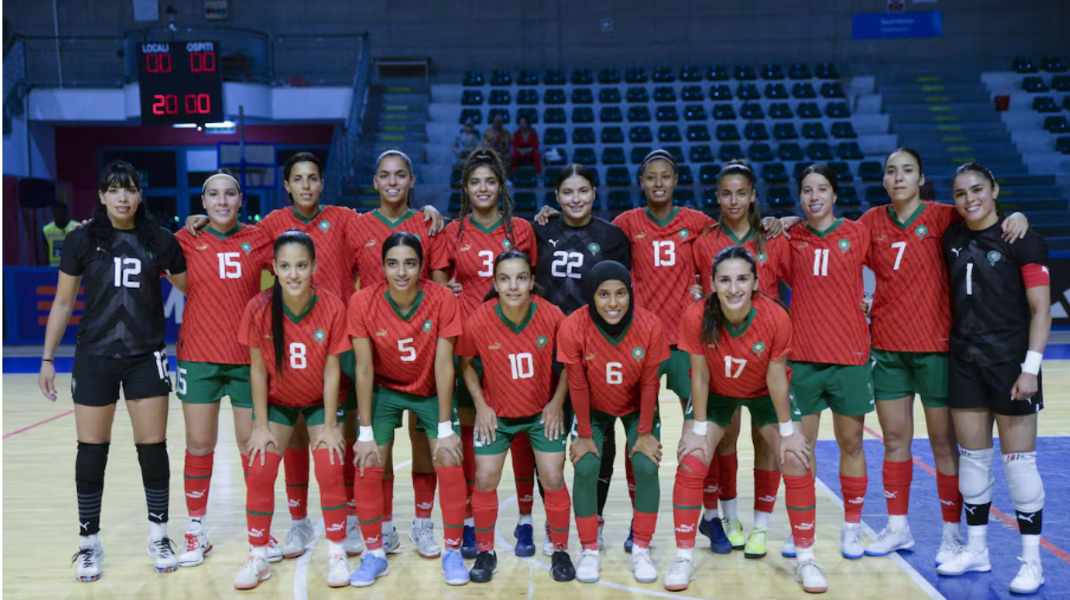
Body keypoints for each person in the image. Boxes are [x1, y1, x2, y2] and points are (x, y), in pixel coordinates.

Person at [185, 152, 444, 558]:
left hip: (339, 339)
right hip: (290, 343)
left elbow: (390, 220)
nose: (306, 186)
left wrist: (426, 210)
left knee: (345, 430)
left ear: (322, 183)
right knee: (297, 435)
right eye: (298, 180)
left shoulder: (345, 219)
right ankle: (300, 523)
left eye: (313, 179)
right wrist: (204, 220)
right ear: (286, 186)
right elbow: (236, 235)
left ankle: (357, 516)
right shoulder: (272, 224)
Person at [859, 149, 1029, 562]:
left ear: (921, 179)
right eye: (891, 171)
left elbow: (983, 214)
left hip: (937, 349)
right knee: (895, 441)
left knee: (943, 445)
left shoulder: (943, 216)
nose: (898, 178)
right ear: (884, 181)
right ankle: (898, 528)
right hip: (888, 349)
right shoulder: (870, 223)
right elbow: (837, 247)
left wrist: (1017, 216)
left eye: (908, 171)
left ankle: (953, 535)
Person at [39, 160, 188, 582]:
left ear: (140, 195)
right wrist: (48, 358)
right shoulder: (81, 239)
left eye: (130, 189)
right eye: (114, 189)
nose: (123, 197)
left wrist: (195, 233)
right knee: (91, 450)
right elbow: (64, 303)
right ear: (101, 196)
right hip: (95, 357)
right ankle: (89, 543)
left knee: (153, 447)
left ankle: (159, 535)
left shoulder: (159, 240)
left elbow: (193, 286)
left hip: (146, 356)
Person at [668, 246, 826, 594]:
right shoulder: (697, 315)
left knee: (796, 459)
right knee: (691, 460)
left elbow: (776, 379)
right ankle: (682, 557)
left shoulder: (775, 317)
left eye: (742, 279)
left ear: (755, 283)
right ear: (712, 283)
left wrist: (788, 433)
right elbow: (699, 375)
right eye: (724, 280)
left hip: (765, 395)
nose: (733, 288)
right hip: (717, 393)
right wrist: (696, 430)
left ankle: (807, 558)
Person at [937, 163, 1050, 595]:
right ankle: (977, 550)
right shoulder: (951, 237)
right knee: (974, 463)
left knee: (1019, 468)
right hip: (965, 361)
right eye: (961, 193)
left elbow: (1041, 311)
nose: (969, 199)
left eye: (977, 190)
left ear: (994, 190)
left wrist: (1031, 369)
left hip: (1011, 365)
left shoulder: (1022, 238)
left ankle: (1033, 562)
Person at [345, 150, 451, 559]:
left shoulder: (427, 223)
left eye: (400, 175)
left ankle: (423, 525)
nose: (392, 182)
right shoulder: (355, 226)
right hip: (374, 349)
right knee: (379, 448)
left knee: (424, 446)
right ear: (374, 182)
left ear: (411, 180)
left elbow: (442, 287)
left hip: (421, 350)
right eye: (385, 175)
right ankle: (383, 526)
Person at [347, 232, 468, 588]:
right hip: (385, 389)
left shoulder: (442, 298)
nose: (402, 271)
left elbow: (445, 365)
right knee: (368, 461)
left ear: (422, 267)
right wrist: (365, 434)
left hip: (429, 389)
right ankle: (374, 554)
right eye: (393, 263)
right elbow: (364, 369)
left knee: (448, 458)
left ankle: (453, 551)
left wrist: (445, 427)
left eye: (410, 263)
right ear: (382, 265)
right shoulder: (362, 301)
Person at [234, 230, 352, 589]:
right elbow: (256, 369)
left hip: (321, 403)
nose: (294, 274)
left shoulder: (331, 306)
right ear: (273, 268)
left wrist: (331, 424)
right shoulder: (258, 307)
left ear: (314, 266)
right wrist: (259, 424)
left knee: (330, 467)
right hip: (278, 404)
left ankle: (336, 553)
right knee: (259, 468)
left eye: (301, 265)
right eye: (285, 266)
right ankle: (257, 556)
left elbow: (333, 369)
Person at [174, 169, 277, 567]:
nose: (221, 201)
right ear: (202, 203)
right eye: (213, 195)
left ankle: (261, 532)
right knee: (199, 445)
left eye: (229, 194)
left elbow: (296, 260)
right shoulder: (185, 239)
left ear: (240, 200)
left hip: (248, 359)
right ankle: (196, 530)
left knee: (252, 446)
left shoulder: (258, 238)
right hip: (198, 356)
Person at [456, 250, 575, 583]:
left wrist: (555, 402)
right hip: (497, 415)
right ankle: (485, 552)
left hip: (541, 413)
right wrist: (481, 404)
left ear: (532, 281)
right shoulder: (480, 319)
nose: (513, 286)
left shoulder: (550, 315)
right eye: (505, 279)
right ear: (495, 283)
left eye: (521, 278)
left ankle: (561, 550)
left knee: (552, 477)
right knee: (484, 478)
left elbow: (570, 361)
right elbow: (464, 364)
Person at [444, 147, 539, 558]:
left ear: (502, 187)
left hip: (514, 345)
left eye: (491, 181)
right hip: (469, 347)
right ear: (465, 189)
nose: (483, 188)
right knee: (472, 435)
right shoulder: (453, 231)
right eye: (475, 181)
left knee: (520, 435)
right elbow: (440, 288)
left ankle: (525, 521)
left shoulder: (521, 229)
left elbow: (533, 284)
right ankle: (468, 521)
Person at [690, 159, 787, 557]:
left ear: (753, 196)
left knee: (766, 445)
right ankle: (729, 517)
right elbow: (700, 294)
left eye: (741, 193)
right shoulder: (703, 241)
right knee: (725, 439)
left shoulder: (774, 237)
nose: (734, 200)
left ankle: (762, 525)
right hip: (722, 354)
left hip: (767, 355)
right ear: (717, 197)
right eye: (726, 193)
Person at [534, 163, 631, 550]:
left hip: (596, 350)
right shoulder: (540, 230)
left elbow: (620, 294)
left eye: (583, 191)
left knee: (599, 440)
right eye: (568, 192)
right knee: (551, 438)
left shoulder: (612, 236)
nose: (576, 199)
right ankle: (551, 521)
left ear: (595, 192)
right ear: (556, 197)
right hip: (546, 348)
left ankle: (598, 517)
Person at [782, 164, 873, 561]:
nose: (814, 196)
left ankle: (852, 527)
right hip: (801, 359)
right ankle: (802, 528)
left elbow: (895, 271)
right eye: (806, 190)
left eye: (822, 189)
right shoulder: (789, 238)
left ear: (835, 194)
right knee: (801, 448)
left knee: (851, 443)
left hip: (849, 357)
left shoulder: (858, 232)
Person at [559, 261, 668, 584]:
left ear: (630, 293)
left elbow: (650, 384)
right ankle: (590, 548)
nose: (613, 303)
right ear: (591, 297)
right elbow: (576, 385)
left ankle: (642, 547)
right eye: (603, 294)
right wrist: (583, 433)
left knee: (646, 466)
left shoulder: (649, 325)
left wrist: (645, 433)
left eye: (621, 293)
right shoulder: (573, 326)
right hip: (592, 406)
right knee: (587, 465)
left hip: (636, 405)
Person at [43, 201, 78, 267]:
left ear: (66, 212)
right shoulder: (47, 230)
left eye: (61, 211)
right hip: (54, 269)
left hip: (72, 269)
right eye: (57, 211)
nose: (59, 214)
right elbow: (45, 253)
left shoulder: (77, 227)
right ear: (53, 213)